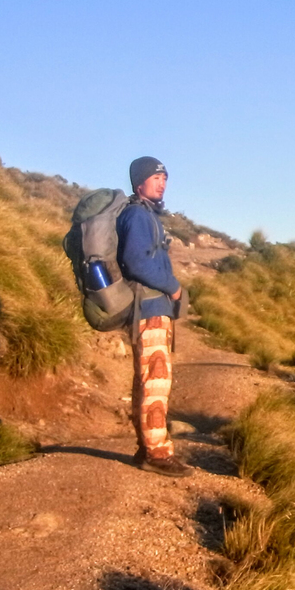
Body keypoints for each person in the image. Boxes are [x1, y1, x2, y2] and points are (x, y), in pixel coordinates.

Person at [117, 156, 190, 477]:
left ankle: (145, 447)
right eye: (155, 177)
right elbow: (136, 262)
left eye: (164, 177)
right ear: (139, 183)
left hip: (151, 310)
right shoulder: (137, 215)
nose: (162, 182)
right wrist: (173, 288)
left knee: (147, 380)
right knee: (156, 382)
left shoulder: (146, 216)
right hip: (149, 310)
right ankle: (157, 454)